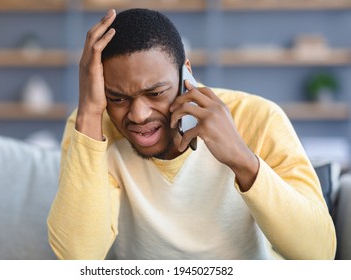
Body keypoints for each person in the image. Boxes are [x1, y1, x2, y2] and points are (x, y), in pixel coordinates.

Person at [47, 8, 336, 260]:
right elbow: (77, 256)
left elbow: (318, 254)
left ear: (186, 74)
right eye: (118, 98)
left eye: (156, 93)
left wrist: (241, 158)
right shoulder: (92, 126)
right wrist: (88, 110)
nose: (138, 115)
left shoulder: (258, 117)